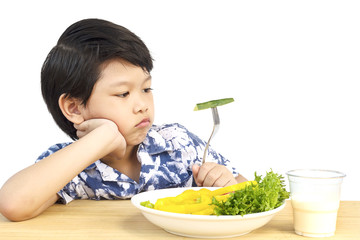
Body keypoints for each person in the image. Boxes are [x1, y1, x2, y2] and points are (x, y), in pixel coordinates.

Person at [0, 18, 246, 221]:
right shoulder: (69, 166)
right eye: (123, 94)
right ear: (74, 108)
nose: (141, 105)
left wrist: (225, 181)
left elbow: (245, 188)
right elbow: (12, 204)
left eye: (146, 90)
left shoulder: (177, 143)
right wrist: (103, 138)